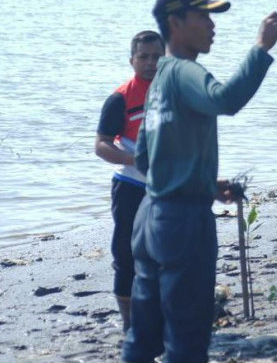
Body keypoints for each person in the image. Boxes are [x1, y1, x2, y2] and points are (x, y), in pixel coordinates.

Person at [122, 0, 277, 363]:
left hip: (150, 219)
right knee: (187, 339)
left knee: (143, 337)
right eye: (203, 15)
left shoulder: (158, 79)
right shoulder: (183, 71)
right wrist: (261, 48)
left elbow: (146, 160)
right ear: (175, 22)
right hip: (182, 223)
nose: (212, 24)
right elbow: (224, 99)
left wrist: (205, 184)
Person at [95, 30, 165, 332]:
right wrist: (134, 160)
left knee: (167, 254)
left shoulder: (177, 92)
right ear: (132, 60)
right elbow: (101, 145)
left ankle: (164, 317)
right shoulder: (120, 98)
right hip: (131, 187)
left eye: (157, 56)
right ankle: (129, 324)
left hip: (169, 189)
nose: (151, 63)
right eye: (144, 57)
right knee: (126, 256)